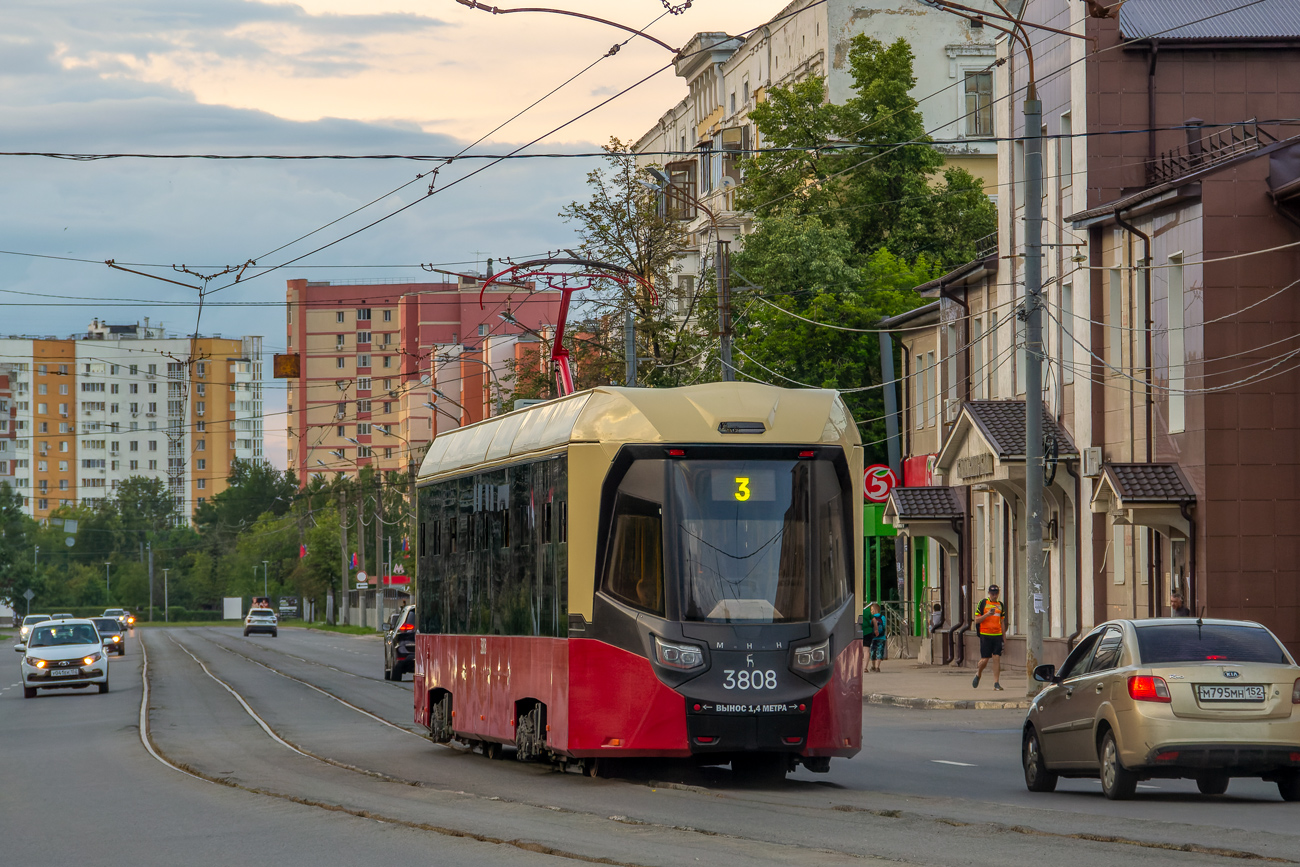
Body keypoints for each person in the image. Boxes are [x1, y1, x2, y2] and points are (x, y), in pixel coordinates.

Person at [972, 584, 1005, 691]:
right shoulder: (983, 603)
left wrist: (1004, 638)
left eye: (996, 593)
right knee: (985, 659)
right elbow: (976, 620)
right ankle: (978, 673)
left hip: (997, 635)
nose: (994, 596)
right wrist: (987, 615)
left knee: (996, 658)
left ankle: (996, 683)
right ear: (989, 593)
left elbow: (1002, 622)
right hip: (985, 635)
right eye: (992, 593)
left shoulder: (1000, 605)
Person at [867, 602, 887, 673]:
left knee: (872, 652)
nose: (871, 611)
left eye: (872, 609)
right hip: (882, 637)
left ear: (875, 610)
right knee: (880, 652)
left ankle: (873, 666)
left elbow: (869, 627)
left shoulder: (871, 618)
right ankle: (877, 667)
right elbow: (884, 626)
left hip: (873, 638)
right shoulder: (882, 617)